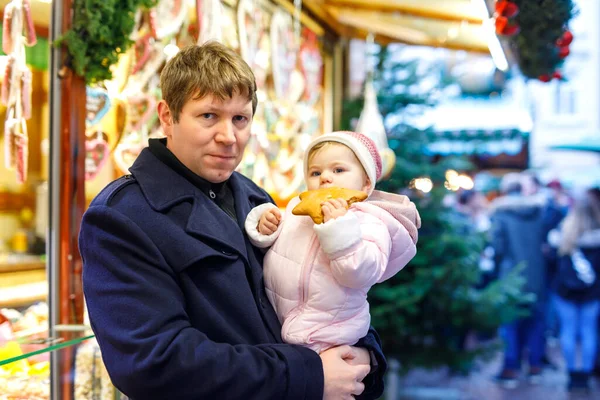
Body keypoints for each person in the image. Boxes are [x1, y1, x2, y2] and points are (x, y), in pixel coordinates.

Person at [78, 42, 387, 399]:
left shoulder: (255, 197)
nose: (228, 137)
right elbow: (152, 363)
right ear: (167, 116)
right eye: (209, 116)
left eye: (240, 118)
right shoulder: (122, 216)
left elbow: (319, 290)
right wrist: (309, 376)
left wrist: (364, 354)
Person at [244, 131, 420, 353]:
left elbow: (359, 273)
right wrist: (266, 227)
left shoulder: (370, 222)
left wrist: (340, 227)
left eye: (338, 170)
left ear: (366, 184)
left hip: (330, 332)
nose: (325, 178)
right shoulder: (297, 210)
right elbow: (271, 248)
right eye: (315, 172)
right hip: (276, 319)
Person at [490, 172, 548, 388]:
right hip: (537, 275)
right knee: (535, 323)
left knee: (510, 325)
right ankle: (534, 366)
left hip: (511, 277)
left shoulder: (500, 214)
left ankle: (510, 369)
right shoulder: (538, 212)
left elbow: (497, 247)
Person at [550, 187, 600, 392]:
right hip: (592, 291)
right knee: (589, 331)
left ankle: (572, 373)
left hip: (565, 291)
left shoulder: (561, 235)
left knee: (568, 331)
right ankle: (586, 374)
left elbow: (552, 261)